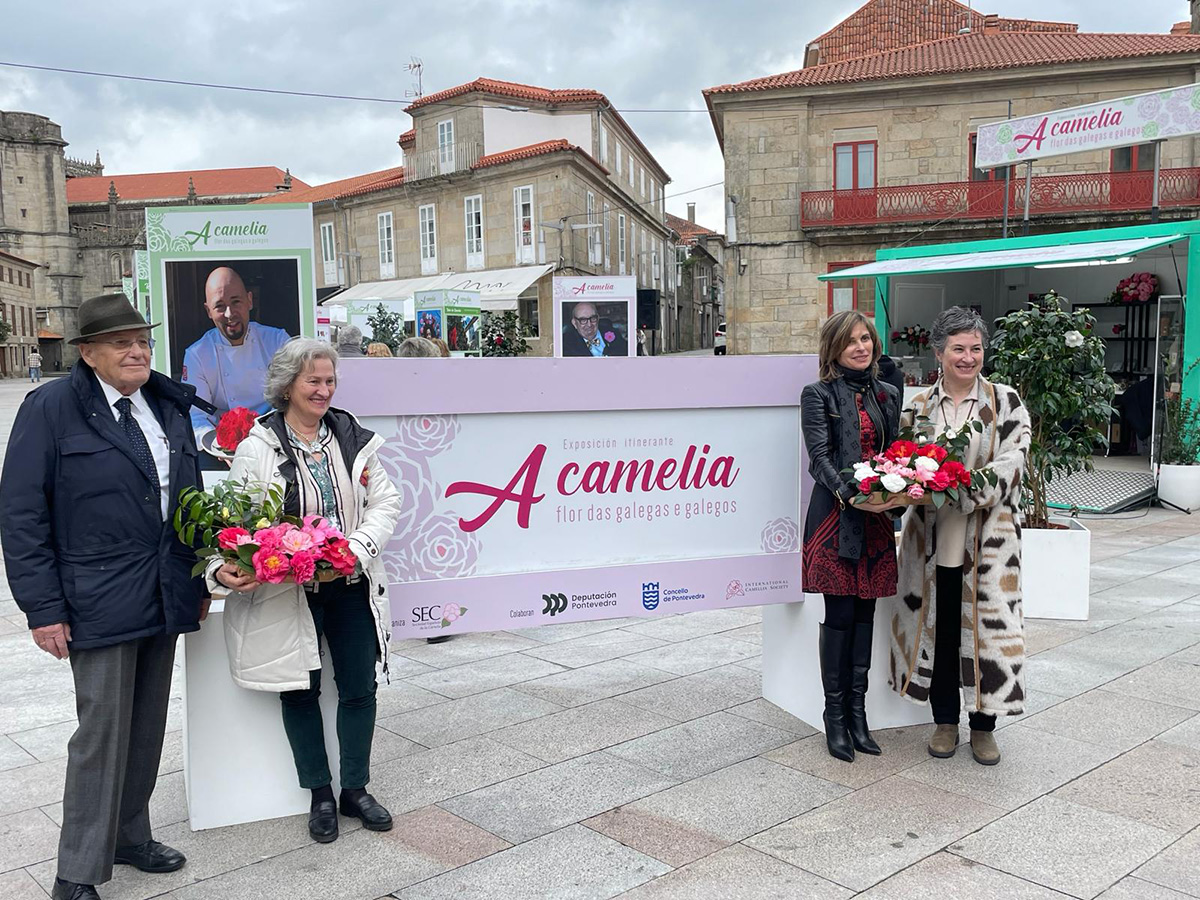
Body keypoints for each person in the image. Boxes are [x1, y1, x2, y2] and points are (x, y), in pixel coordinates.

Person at [0, 293, 208, 900]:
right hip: (94, 597)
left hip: (164, 590)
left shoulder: (165, 404)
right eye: (121, 342)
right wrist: (43, 609)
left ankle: (129, 835)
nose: (137, 349)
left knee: (145, 726)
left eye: (142, 339)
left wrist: (195, 581)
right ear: (87, 353)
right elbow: (21, 515)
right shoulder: (50, 408)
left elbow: (189, 503)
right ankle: (77, 870)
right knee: (100, 733)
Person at [210, 339, 401, 843]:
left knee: (360, 687)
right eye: (312, 381)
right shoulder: (257, 447)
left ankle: (355, 789)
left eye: (329, 381)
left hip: (350, 583)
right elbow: (238, 520)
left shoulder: (351, 436)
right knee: (301, 690)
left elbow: (387, 501)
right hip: (290, 592)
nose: (323, 390)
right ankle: (319, 794)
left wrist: (355, 548)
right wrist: (233, 562)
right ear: (287, 385)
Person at [886, 306, 1031, 766]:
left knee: (988, 635)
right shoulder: (919, 406)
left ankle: (984, 728)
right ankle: (945, 722)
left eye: (975, 348)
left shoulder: (1004, 402)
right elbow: (904, 462)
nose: (968, 358)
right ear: (939, 352)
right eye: (958, 349)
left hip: (988, 546)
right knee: (940, 632)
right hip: (930, 542)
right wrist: (904, 485)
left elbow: (1012, 464)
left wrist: (958, 486)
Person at [800, 310, 901, 763]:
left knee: (867, 613)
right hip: (837, 516)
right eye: (851, 341)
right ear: (833, 348)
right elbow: (818, 458)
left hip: (877, 517)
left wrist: (899, 489)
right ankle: (835, 716)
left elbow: (895, 453)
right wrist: (851, 495)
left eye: (866, 339)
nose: (861, 347)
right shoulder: (817, 394)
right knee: (839, 615)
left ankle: (859, 715)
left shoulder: (888, 393)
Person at [181, 266, 291, 449]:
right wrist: (219, 445)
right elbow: (196, 416)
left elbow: (293, 398)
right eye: (219, 306)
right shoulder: (197, 355)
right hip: (223, 446)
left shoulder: (278, 341)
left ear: (249, 300)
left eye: (236, 302)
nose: (229, 314)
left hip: (275, 439)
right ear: (208, 311)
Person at [562, 301, 627, 357]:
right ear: (574, 323)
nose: (589, 324)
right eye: (583, 320)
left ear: (598, 318)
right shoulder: (565, 344)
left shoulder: (613, 333)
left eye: (593, 318)